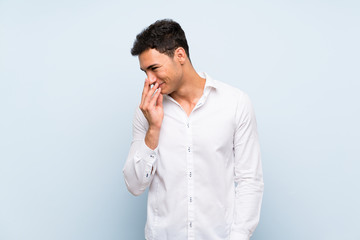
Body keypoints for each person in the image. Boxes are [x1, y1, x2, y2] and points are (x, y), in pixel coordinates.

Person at [123, 19, 264, 240]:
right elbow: (134, 185)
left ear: (180, 56)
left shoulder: (235, 103)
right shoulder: (145, 111)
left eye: (154, 68)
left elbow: (249, 180)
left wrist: (238, 236)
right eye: (144, 71)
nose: (149, 80)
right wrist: (154, 129)